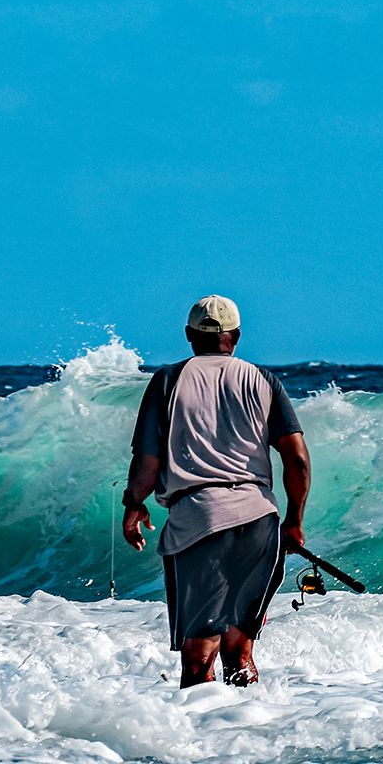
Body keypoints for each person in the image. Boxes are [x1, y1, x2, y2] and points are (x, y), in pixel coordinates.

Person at [122, 294, 311, 688]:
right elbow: (297, 460)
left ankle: (200, 744)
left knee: (198, 656)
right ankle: (247, 737)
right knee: (240, 652)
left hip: (199, 521)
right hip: (261, 522)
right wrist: (293, 522)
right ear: (236, 336)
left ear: (189, 335)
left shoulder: (169, 380)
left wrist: (134, 502)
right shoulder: (263, 381)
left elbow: (148, 462)